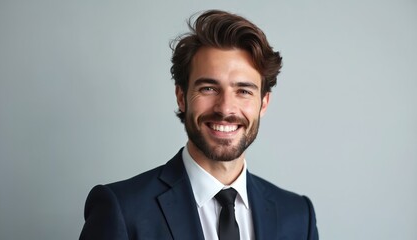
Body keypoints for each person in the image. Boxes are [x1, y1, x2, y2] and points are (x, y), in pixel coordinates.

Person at [79, 10, 318, 240]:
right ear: (181, 97)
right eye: (209, 88)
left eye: (243, 91)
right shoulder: (122, 209)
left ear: (263, 103)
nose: (225, 109)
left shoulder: (298, 216)